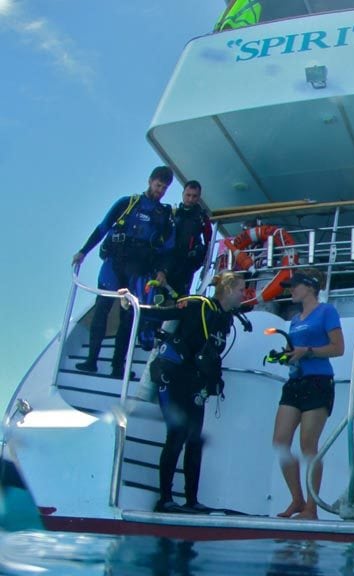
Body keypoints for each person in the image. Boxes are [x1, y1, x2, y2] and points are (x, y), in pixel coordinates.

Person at [144, 272, 246, 513]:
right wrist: (133, 306)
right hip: (174, 377)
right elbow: (165, 313)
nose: (245, 294)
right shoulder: (198, 305)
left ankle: (192, 500)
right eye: (242, 289)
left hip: (195, 383)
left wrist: (215, 381)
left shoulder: (225, 318)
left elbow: (213, 354)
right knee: (177, 435)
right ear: (229, 289)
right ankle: (165, 499)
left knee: (194, 441)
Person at [73, 166, 176, 379]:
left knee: (128, 319)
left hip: (138, 272)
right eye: (158, 186)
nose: (160, 191)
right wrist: (83, 251)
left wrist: (162, 271)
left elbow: (167, 249)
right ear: (150, 181)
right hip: (114, 266)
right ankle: (91, 360)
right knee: (101, 311)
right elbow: (102, 229)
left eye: (164, 189)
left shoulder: (163, 215)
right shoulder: (126, 204)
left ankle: (118, 369)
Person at [272, 268, 344, 519]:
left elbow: (338, 348)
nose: (291, 290)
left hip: (318, 382)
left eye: (295, 286)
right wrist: (287, 355)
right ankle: (297, 500)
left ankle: (311, 508)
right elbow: (297, 350)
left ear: (310, 287)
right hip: (295, 381)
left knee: (308, 445)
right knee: (280, 441)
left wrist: (308, 351)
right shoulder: (294, 319)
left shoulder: (327, 312)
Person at [166, 181, 213, 297]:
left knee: (181, 296)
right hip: (169, 260)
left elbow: (209, 241)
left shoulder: (202, 217)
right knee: (163, 293)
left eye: (194, 196)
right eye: (188, 195)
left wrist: (202, 260)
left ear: (199, 197)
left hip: (187, 263)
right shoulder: (173, 213)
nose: (190, 199)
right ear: (183, 194)